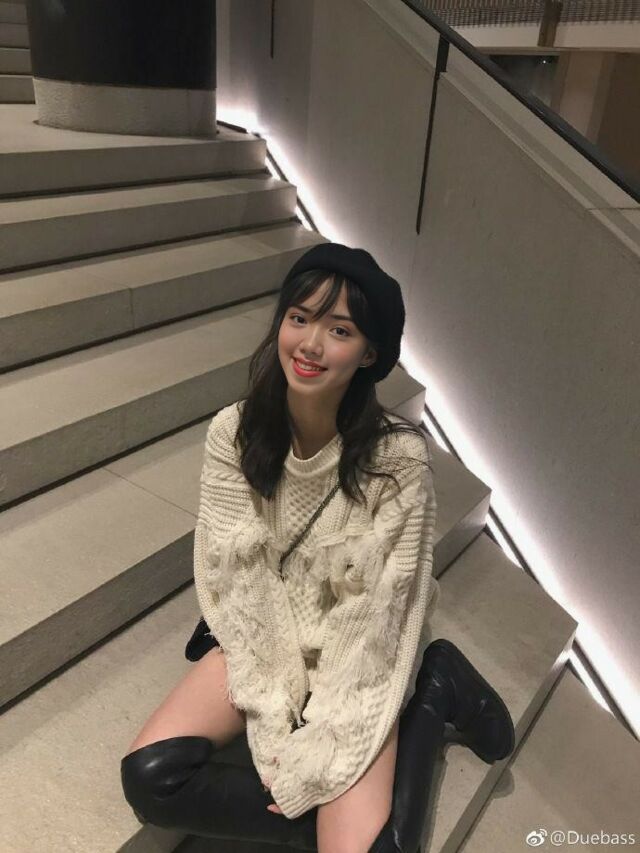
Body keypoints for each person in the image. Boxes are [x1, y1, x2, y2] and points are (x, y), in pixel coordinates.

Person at [120, 242, 515, 852]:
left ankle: (435, 688)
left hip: (361, 650)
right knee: (151, 779)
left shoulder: (398, 462)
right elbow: (240, 585)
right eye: (299, 318)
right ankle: (332, 811)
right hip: (265, 633)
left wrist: (325, 745)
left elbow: (375, 622)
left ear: (369, 353)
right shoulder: (234, 434)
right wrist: (278, 727)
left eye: (340, 330)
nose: (309, 344)